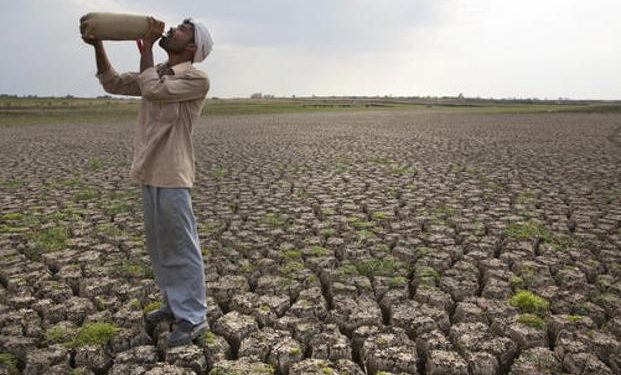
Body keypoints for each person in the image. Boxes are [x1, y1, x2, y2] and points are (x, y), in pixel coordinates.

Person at [81, 16, 213, 347]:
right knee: (160, 247)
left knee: (181, 246)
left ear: (193, 46)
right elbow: (111, 82)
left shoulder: (196, 79)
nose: (172, 29)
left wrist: (149, 48)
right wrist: (99, 44)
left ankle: (194, 318)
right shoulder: (157, 72)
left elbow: (151, 89)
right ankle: (172, 306)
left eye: (182, 28)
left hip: (172, 173)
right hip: (149, 171)